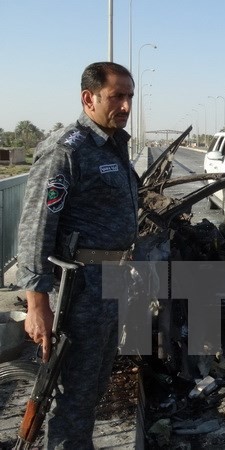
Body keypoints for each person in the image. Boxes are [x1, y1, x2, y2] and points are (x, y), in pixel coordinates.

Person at [16, 62, 138, 449]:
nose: (125, 105)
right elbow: (37, 226)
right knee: (72, 395)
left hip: (109, 285)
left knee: (92, 388)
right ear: (89, 98)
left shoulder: (113, 145)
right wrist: (37, 302)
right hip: (79, 290)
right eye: (116, 96)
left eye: (130, 97)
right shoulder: (66, 149)